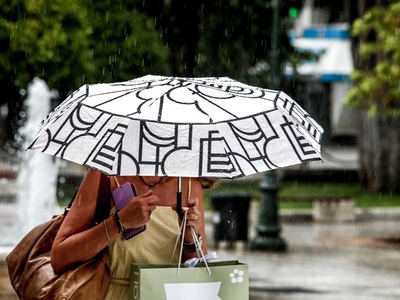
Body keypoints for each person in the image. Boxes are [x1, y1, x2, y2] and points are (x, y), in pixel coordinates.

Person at [50, 168, 217, 299]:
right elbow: (60, 256)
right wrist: (119, 221)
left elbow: (198, 269)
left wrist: (189, 238)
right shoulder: (105, 175)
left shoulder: (188, 184)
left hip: (166, 295)